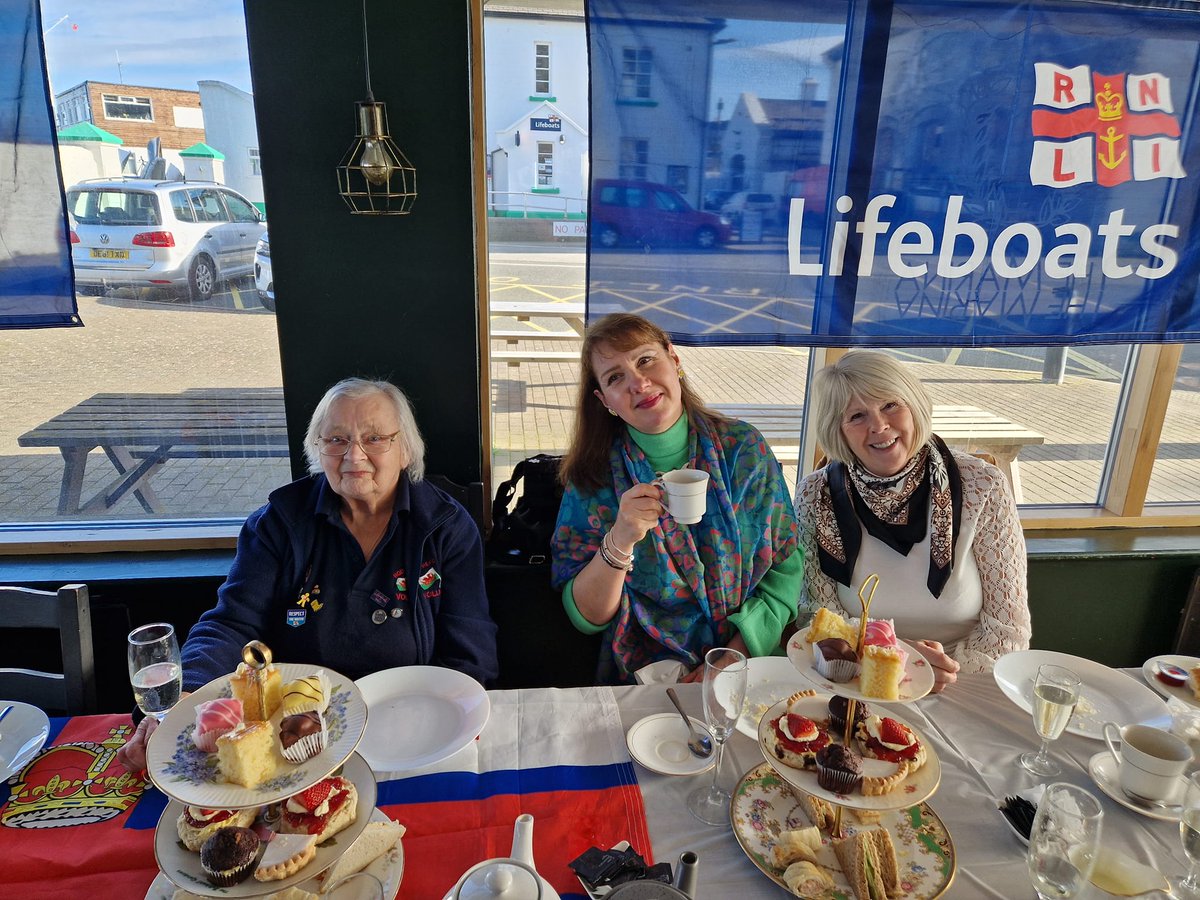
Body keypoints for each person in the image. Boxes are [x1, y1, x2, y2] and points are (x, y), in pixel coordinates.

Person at [118, 377, 497, 772]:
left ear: (405, 450)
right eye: (335, 440)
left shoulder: (445, 528)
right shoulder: (278, 524)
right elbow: (231, 624)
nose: (354, 456)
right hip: (299, 736)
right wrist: (190, 693)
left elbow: (470, 650)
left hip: (411, 727)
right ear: (317, 448)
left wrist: (441, 722)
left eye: (374, 438)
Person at [551, 313, 802, 684]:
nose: (638, 382)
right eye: (615, 377)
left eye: (646, 359)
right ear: (605, 400)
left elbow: (785, 567)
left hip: (748, 661)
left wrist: (731, 659)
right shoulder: (594, 476)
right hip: (647, 673)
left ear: (675, 359)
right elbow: (586, 617)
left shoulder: (742, 451)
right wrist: (619, 539)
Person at [793, 350, 1031, 692]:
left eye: (891, 405)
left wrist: (941, 672)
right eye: (857, 416)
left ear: (914, 406)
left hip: (964, 676)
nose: (878, 426)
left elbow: (1007, 630)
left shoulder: (982, 485)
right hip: (858, 679)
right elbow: (820, 620)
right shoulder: (816, 496)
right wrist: (903, 669)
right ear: (838, 431)